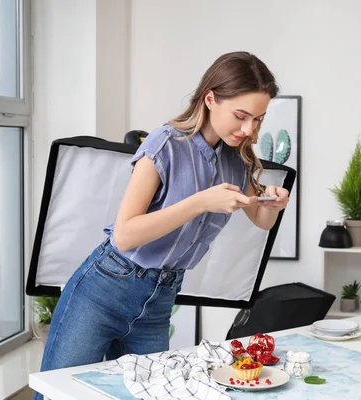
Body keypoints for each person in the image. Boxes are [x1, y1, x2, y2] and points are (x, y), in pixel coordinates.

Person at [34, 51, 289, 399]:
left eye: (258, 120)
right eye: (241, 116)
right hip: (104, 290)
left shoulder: (237, 160)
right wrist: (201, 202)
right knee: (60, 395)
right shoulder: (165, 144)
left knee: (149, 395)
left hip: (159, 301)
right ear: (210, 98)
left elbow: (261, 220)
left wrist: (274, 203)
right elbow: (124, 235)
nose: (249, 130)